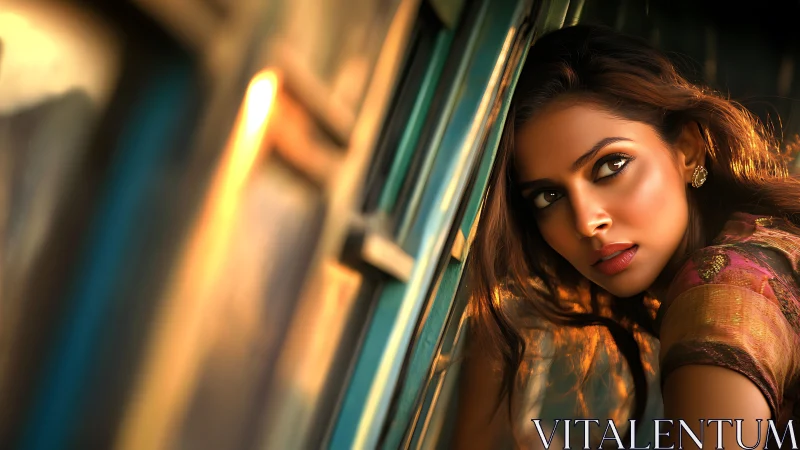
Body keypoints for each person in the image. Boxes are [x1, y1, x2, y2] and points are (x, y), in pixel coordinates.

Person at [453, 24, 800, 449]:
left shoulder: (719, 291)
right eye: (549, 196)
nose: (585, 222)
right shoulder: (764, 240)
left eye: (610, 166)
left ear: (688, 150)